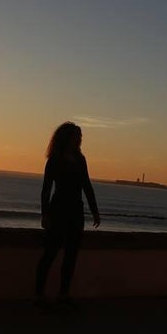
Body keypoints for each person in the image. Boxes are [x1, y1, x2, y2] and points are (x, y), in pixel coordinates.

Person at [35, 122, 101, 307]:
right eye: (76, 136)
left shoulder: (80, 159)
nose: (79, 139)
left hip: (76, 210)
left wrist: (94, 210)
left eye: (80, 136)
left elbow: (86, 185)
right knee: (50, 253)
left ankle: (64, 294)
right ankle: (38, 294)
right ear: (66, 138)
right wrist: (44, 214)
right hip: (58, 210)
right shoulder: (55, 159)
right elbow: (46, 189)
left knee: (71, 255)